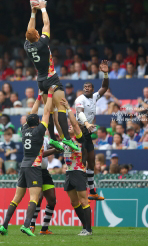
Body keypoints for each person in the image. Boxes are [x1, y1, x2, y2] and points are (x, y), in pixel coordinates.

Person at [0, 86, 55, 236]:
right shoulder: (39, 131)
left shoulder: (24, 130)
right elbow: (47, 111)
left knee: (16, 198)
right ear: (37, 122)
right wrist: (49, 95)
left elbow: (32, 113)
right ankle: (26, 225)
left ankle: (4, 225)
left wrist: (38, 98)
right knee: (34, 197)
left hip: (23, 165)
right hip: (34, 166)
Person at [24, 0, 78, 152]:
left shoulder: (27, 46)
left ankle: (53, 140)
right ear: (37, 35)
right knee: (60, 107)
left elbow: (30, 29)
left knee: (50, 110)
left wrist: (32, 13)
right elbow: (46, 25)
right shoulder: (41, 44)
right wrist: (43, 9)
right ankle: (67, 139)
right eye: (37, 32)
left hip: (40, 80)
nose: (38, 31)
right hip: (51, 78)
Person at [74, 60, 109, 200]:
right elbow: (80, 113)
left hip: (87, 132)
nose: (87, 88)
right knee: (82, 160)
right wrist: (87, 124)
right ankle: (79, 189)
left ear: (93, 89)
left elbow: (105, 87)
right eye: (85, 87)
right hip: (79, 131)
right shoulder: (79, 99)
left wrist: (105, 73)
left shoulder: (95, 97)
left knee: (92, 161)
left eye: (89, 87)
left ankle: (92, 191)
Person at [60, 98, 93, 235]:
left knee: (84, 200)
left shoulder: (80, 139)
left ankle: (88, 229)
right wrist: (55, 111)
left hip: (79, 172)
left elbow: (74, 122)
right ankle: (85, 226)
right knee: (74, 202)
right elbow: (59, 124)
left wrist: (68, 108)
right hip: (69, 172)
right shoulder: (67, 140)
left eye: (72, 126)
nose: (70, 126)